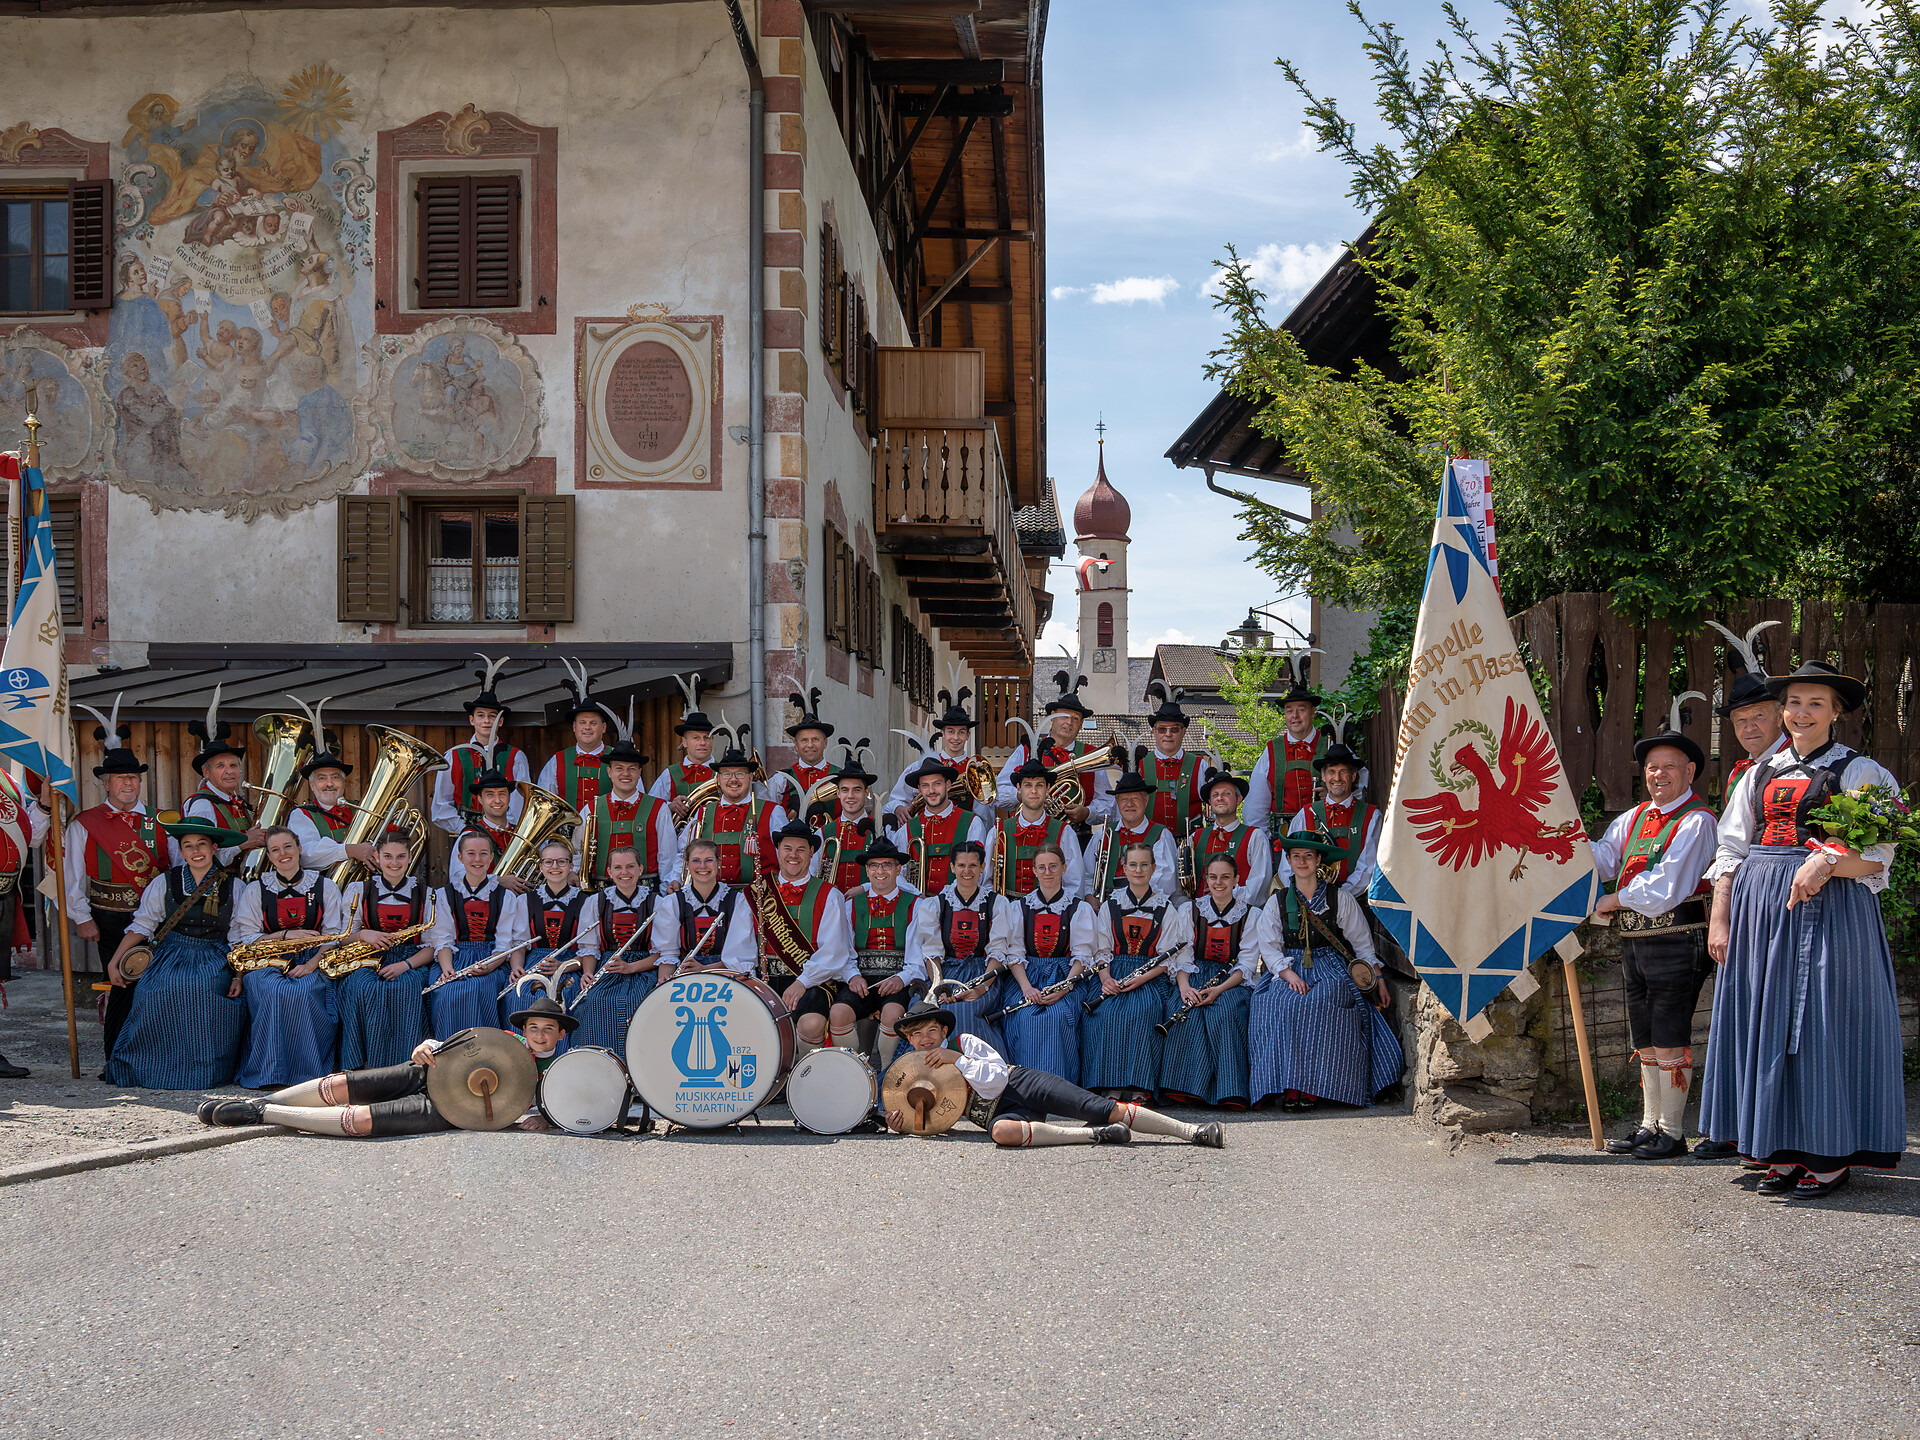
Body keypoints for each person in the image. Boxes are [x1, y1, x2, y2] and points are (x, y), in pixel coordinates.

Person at [1702, 661, 1907, 1199]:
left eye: (1816, 704)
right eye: (1794, 703)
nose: (1801, 713)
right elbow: (1733, 849)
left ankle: (1829, 1154)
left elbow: (1880, 856)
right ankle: (1783, 1148)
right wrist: (1721, 914)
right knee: (1766, 1022)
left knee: (1821, 1025)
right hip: (1761, 911)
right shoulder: (1757, 773)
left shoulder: (1861, 772)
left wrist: (1826, 863)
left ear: (1836, 713)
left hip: (1833, 912)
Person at [1588, 706, 1719, 1160]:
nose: (1658, 774)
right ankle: (1649, 1126)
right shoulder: (1636, 816)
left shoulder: (1698, 821)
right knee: (1643, 1034)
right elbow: (1604, 859)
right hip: (1635, 941)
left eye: (1669, 767)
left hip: (1677, 938)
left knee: (1669, 1031)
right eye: (1652, 767)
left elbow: (1667, 886)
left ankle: (1674, 1131)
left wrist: (1613, 900)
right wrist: (1556, 843)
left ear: (1690, 771)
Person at [882, 1000, 1224, 1149]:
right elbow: (933, 1119)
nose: (925, 1040)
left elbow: (996, 1079)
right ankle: (1095, 1137)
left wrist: (957, 1059)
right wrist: (901, 1125)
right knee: (1001, 1133)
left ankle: (1192, 1131)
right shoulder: (912, 1073)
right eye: (916, 1036)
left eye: (930, 1031)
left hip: (1021, 1083)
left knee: (1099, 1107)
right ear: (909, 1041)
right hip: (999, 1114)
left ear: (943, 1029)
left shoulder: (963, 1042)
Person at [198, 1005, 571, 1136]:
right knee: (347, 1083)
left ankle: (262, 1114)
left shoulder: (562, 1070)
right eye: (533, 1028)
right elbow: (445, 1046)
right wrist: (426, 1045)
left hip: (454, 1112)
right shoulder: (502, 1039)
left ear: (561, 1033)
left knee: (361, 1120)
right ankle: (262, 1103)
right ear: (523, 1030)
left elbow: (566, 1111)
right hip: (428, 1075)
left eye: (548, 1029)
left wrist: (545, 1120)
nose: (539, 1035)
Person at [1249, 830, 1400, 1111]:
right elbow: (1269, 948)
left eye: (1309, 856)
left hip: (1330, 967)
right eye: (1296, 856)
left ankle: (1317, 1087)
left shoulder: (1340, 898)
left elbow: (1363, 945)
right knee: (1281, 1003)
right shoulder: (1277, 902)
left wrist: (1377, 978)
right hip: (1290, 967)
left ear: (1319, 860)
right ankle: (1291, 1086)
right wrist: (1288, 974)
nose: (1302, 861)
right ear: (1290, 861)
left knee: (1324, 1001)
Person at [104, 818, 249, 1090]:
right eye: (188, 846)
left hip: (215, 955)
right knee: (154, 990)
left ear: (214, 847)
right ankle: (150, 1067)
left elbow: (239, 938)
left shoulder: (235, 887)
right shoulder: (164, 883)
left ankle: (202, 1070)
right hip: (170, 952)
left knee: (202, 988)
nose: (196, 851)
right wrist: (115, 961)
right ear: (181, 852)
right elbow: (143, 925)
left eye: (202, 845)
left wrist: (239, 976)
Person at [64, 705, 167, 1074]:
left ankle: (150, 1055)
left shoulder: (161, 822)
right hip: (107, 919)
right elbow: (72, 876)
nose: (128, 784)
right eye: (119, 778)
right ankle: (118, 1060)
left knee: (153, 988)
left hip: (155, 921)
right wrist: (81, 917)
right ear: (105, 783)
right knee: (120, 986)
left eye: (133, 778)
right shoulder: (85, 824)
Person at [228, 827, 346, 1089]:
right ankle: (270, 1073)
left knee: (305, 990)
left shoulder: (324, 886)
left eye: (288, 847)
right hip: (267, 959)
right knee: (272, 989)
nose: (283, 854)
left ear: (299, 848)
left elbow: (334, 935)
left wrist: (311, 964)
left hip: (313, 958)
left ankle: (308, 1074)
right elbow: (245, 936)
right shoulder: (256, 889)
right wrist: (283, 936)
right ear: (269, 856)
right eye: (275, 850)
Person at [1080, 842, 1184, 1100]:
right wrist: (1105, 980)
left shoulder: (1166, 908)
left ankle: (1139, 1086)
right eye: (1133, 865)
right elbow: (1101, 949)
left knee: (1143, 1011)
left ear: (1153, 868)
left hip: (1149, 977)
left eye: (1144, 865)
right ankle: (1110, 1084)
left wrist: (1140, 979)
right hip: (1113, 972)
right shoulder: (1109, 905)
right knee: (1104, 1013)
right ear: (1124, 868)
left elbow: (1166, 958)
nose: (1138, 870)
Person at [756, 817, 860, 1056]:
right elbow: (738, 950)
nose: (794, 855)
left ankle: (802, 1081)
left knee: (811, 1023)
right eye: (787, 848)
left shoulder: (830, 894)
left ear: (812, 852)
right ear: (778, 851)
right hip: (766, 979)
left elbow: (834, 952)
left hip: (814, 981)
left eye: (801, 849)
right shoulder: (756, 893)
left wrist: (801, 983)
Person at [1160, 854, 1257, 1108]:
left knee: (1224, 1012)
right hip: (1193, 973)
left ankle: (1229, 1090)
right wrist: (1184, 988)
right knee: (1182, 1011)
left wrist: (1218, 990)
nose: (1219, 883)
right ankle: (1184, 1088)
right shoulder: (1190, 909)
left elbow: (1246, 964)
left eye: (1226, 877)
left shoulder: (1252, 914)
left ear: (1237, 879)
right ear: (1206, 879)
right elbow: (1181, 956)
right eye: (1213, 877)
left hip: (1231, 980)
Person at [336, 829, 435, 1070]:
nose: (394, 862)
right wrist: (363, 934)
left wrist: (405, 965)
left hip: (410, 959)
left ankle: (406, 1066)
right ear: (377, 858)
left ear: (410, 858)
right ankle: (363, 1064)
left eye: (401, 856)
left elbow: (433, 946)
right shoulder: (359, 890)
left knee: (406, 987)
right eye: (388, 856)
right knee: (363, 986)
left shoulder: (427, 894)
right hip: (366, 959)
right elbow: (341, 939)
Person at [997, 844, 1095, 1085]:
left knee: (1059, 1015)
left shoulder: (1079, 908)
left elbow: (1083, 954)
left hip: (1066, 975)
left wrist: (1064, 988)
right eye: (1042, 867)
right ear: (1034, 870)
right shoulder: (1018, 907)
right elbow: (1015, 952)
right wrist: (1027, 988)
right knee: (1024, 1015)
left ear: (1063, 868)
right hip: (1027, 976)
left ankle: (1058, 1086)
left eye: (1053, 866)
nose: (1048, 872)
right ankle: (1025, 1085)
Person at [423, 829, 532, 1039]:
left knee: (480, 989)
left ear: (491, 858)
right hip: (454, 958)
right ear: (460, 857)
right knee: (446, 992)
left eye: (483, 854)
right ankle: (448, 1054)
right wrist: (447, 969)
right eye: (471, 853)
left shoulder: (506, 896)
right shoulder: (443, 894)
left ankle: (485, 1051)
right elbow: (442, 938)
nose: (478, 859)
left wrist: (488, 966)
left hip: (491, 959)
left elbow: (504, 943)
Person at [908, 841, 1008, 1051]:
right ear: (952, 867)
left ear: (982, 868)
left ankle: (976, 1071)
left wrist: (982, 987)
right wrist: (938, 987)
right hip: (946, 972)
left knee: (964, 1010)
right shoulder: (936, 904)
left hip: (984, 972)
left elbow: (998, 949)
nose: (967, 871)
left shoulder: (996, 903)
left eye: (973, 865)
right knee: (926, 1009)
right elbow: (931, 951)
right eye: (961, 865)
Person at [570, 846, 663, 1051]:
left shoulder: (657, 902)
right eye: (618, 867)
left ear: (640, 869)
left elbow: (662, 953)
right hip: (608, 966)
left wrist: (630, 968)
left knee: (635, 1002)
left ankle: (632, 1063)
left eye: (630, 866)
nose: (624, 872)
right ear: (609, 872)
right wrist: (587, 973)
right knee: (593, 1001)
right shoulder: (596, 901)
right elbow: (590, 946)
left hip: (643, 969)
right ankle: (595, 1061)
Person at [845, 833, 923, 1072]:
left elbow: (918, 957)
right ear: (866, 872)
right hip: (862, 981)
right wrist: (852, 976)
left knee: (891, 1014)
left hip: (897, 981)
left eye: (887, 865)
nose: (880, 871)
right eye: (874, 866)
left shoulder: (915, 903)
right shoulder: (851, 905)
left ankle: (886, 1079)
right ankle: (854, 1076)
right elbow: (844, 952)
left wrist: (902, 978)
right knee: (838, 1013)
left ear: (898, 869)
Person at [994, 668, 1112, 827]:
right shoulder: (1027, 748)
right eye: (1064, 716)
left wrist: (1087, 812)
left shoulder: (1092, 754)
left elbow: (1108, 803)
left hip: (1077, 834)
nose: (1069, 723)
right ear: (1051, 717)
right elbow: (998, 793)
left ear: (1081, 724)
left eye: (1075, 719)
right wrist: (1022, 796)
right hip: (1030, 831)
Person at [501, 838, 597, 1028]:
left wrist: (563, 966)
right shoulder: (524, 901)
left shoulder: (587, 901)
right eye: (549, 862)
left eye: (562, 862)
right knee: (520, 994)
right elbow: (519, 944)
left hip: (569, 965)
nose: (555, 866)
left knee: (566, 995)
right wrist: (516, 968)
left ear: (570, 866)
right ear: (540, 866)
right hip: (535, 963)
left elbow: (588, 949)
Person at [579, 706, 678, 888]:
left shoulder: (659, 808)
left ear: (639, 772)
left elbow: (668, 856)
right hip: (600, 895)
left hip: (647, 894)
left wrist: (665, 892)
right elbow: (578, 852)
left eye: (632, 768)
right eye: (619, 768)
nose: (626, 774)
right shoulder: (590, 809)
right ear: (609, 772)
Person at [431, 656, 529, 836]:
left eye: (492, 716)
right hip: (465, 833)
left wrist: (505, 829)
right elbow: (440, 806)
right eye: (481, 715)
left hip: (506, 833)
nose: (486, 721)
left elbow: (520, 802)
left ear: (500, 722)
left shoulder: (516, 756)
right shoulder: (453, 755)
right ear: (471, 720)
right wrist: (464, 830)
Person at [1244, 666, 1331, 858]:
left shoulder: (1331, 743)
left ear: (1313, 712)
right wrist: (1264, 843)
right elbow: (1256, 806)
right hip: (1283, 841)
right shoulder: (1271, 751)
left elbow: (1355, 789)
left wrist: (1333, 797)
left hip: (1324, 838)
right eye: (1290, 710)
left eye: (1301, 710)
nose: (1295, 716)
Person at [683, 726, 784, 886]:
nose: (733, 779)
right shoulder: (703, 812)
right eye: (727, 774)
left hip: (759, 897)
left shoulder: (773, 812)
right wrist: (674, 879)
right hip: (712, 896)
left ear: (751, 777)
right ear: (718, 779)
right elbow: (683, 852)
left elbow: (785, 857)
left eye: (740, 773)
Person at [886, 682, 992, 828]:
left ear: (968, 735)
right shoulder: (920, 766)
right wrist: (898, 808)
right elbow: (896, 799)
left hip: (962, 833)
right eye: (950, 731)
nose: (956, 737)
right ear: (942, 733)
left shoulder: (976, 770)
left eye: (961, 732)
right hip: (926, 831)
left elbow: (984, 816)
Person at [180, 690, 267, 866]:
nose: (229, 771)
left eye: (233, 765)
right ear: (206, 773)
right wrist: (243, 843)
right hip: (215, 889)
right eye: (220, 766)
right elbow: (198, 858)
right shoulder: (203, 805)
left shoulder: (238, 802)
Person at [655, 838, 759, 979]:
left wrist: (704, 969)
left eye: (709, 860)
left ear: (718, 863)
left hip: (726, 976)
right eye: (696, 860)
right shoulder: (673, 902)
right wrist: (665, 987)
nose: (702, 866)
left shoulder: (737, 901)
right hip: (684, 975)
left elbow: (740, 958)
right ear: (686, 865)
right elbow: (668, 955)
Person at [888, 754, 989, 894]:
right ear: (919, 789)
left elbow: (976, 871)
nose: (931, 791)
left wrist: (943, 900)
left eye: (937, 783)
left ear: (948, 785)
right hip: (919, 907)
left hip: (958, 905)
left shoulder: (972, 823)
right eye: (925, 785)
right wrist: (918, 898)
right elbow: (898, 874)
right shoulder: (907, 829)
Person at [1288, 739, 1378, 894]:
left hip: (1355, 901)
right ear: (1323, 776)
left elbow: (1368, 867)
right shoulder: (1305, 814)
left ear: (1353, 776)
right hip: (1310, 901)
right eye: (1331, 772)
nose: (1337, 778)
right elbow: (1289, 863)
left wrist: (1340, 897)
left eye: (1343, 772)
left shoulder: (1372, 815)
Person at [988, 758, 1084, 899]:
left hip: (1049, 913)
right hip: (1007, 912)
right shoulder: (998, 831)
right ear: (1019, 789)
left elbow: (1074, 885)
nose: (1033, 791)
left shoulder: (1065, 832)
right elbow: (986, 881)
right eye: (1028, 785)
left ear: (1047, 789)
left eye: (1039, 785)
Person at [1087, 757, 1177, 900]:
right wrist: (1089, 896)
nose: (1129, 804)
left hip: (1148, 905)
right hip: (1105, 904)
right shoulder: (1103, 833)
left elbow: (1166, 881)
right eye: (1124, 799)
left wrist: (1132, 901)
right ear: (1117, 802)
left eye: (1135, 798)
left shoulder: (1161, 835)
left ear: (1146, 800)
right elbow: (1087, 874)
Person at [288, 737, 378, 876]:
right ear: (312, 786)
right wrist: (350, 850)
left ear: (343, 782)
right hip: (325, 889)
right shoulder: (301, 815)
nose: (329, 783)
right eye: (321, 778)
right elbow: (305, 855)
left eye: (335, 777)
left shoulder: (361, 808)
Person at [1139, 683, 1217, 837]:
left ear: (1183, 732)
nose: (1168, 734)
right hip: (1148, 846)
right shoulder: (1139, 764)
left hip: (1189, 843)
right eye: (1162, 729)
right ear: (1154, 732)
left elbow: (1215, 807)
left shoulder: (1199, 765)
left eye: (1174, 729)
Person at [537, 660, 613, 810]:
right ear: (574, 727)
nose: (587, 728)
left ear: (603, 727)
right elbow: (544, 804)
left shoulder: (618, 758)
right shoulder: (556, 761)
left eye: (593, 723)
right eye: (582, 723)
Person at [1197, 765, 1273, 908]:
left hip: (1242, 919)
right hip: (1201, 920)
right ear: (1210, 802)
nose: (1220, 798)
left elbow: (1259, 886)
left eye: (1226, 794)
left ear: (1239, 800)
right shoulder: (1195, 838)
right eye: (1215, 795)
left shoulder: (1255, 837)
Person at [651, 674, 717, 824]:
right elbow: (650, 806)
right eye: (696, 738)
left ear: (712, 740)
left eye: (706, 737)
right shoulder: (670, 774)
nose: (702, 743)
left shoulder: (722, 773)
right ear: (685, 742)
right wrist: (670, 806)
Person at [813, 742, 878, 893]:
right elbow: (812, 875)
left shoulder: (880, 831)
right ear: (837, 793)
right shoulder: (822, 834)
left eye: (857, 790)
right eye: (845, 790)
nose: (850, 796)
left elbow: (894, 875)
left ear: (866, 792)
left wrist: (864, 888)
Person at [768, 686, 836, 818]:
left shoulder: (839, 776)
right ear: (796, 745)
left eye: (815, 739)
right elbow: (767, 816)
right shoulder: (780, 780)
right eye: (804, 740)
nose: (809, 745)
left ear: (825, 743)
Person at [462, 768, 529, 895]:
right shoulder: (469, 835)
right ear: (480, 799)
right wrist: (499, 881)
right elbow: (458, 879)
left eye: (502, 794)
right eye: (490, 795)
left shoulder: (520, 834)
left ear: (509, 797)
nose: (497, 800)